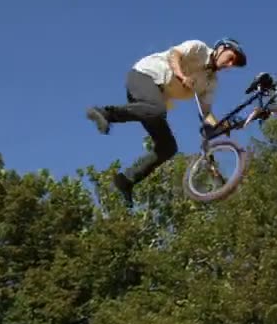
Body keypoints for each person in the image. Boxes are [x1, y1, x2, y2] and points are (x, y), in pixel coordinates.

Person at [86, 38, 247, 208]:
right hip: (144, 76)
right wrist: (181, 76)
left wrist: (221, 126)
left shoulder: (210, 82)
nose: (229, 65)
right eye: (230, 58)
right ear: (221, 48)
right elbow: (174, 55)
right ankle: (104, 113)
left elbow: (206, 113)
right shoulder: (199, 49)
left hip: (151, 105)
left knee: (168, 147)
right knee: (157, 109)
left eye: (233, 64)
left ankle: (126, 180)